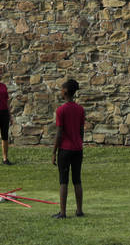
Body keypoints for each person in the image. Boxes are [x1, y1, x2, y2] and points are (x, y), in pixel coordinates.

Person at [52, 78, 85, 219]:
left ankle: (63, 212)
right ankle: (79, 210)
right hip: (78, 149)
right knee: (77, 180)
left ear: (65, 92)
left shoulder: (61, 110)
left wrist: (54, 151)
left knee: (63, 180)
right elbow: (81, 130)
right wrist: (79, 142)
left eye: (61, 89)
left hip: (65, 149)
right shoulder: (80, 109)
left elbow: (59, 133)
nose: (60, 91)